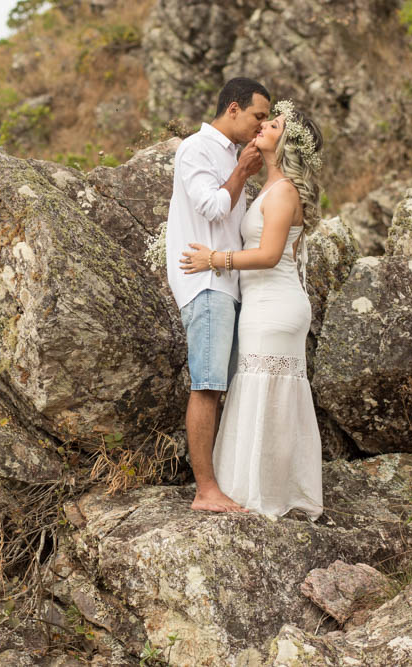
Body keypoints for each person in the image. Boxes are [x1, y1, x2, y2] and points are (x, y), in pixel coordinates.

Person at [180, 100, 325, 521]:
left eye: (273, 124)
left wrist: (216, 260)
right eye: (264, 119)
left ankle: (268, 493)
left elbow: (267, 254)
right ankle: (255, 487)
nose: (262, 126)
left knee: (268, 390)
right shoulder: (269, 186)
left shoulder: (283, 192)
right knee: (258, 389)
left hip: (276, 304)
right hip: (263, 303)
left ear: (288, 143)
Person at [164, 77, 271, 513]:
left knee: (222, 384)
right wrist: (243, 172)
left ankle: (221, 481)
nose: (260, 126)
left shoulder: (228, 154)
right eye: (257, 116)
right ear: (232, 109)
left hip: (226, 283)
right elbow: (211, 208)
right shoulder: (197, 149)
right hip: (205, 283)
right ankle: (205, 491)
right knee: (207, 385)